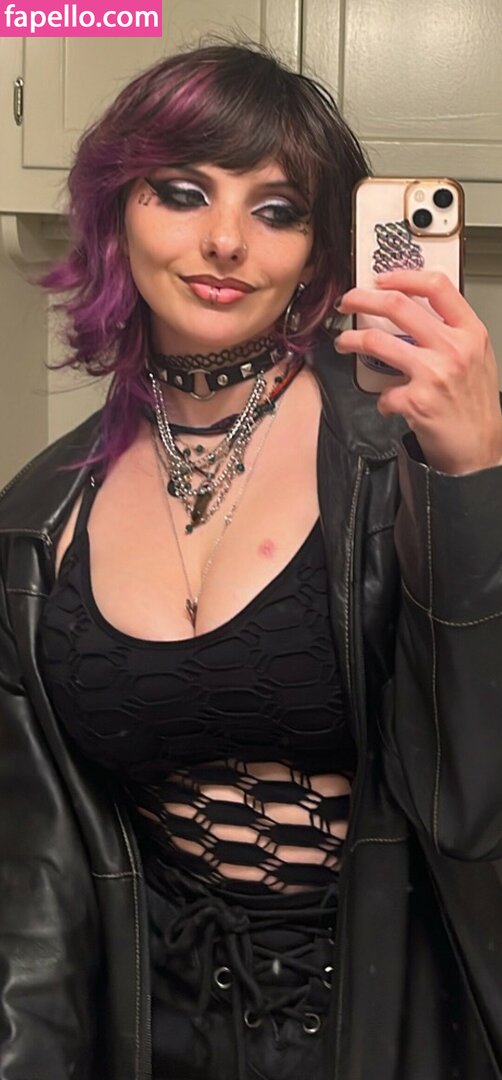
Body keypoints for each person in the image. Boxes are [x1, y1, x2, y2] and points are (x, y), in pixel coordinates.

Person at [0, 37, 501, 1080]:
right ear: (116, 214)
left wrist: (473, 475)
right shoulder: (38, 522)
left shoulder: (405, 453)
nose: (225, 240)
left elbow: (481, 788)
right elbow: (33, 895)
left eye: (277, 210)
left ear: (318, 252)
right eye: (183, 192)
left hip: (397, 1031)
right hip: (153, 1037)